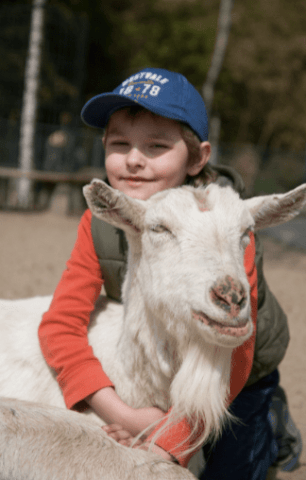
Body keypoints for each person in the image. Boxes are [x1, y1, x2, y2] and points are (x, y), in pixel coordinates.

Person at [38, 67, 302, 479]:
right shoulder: (102, 223)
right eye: (119, 143)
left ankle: (272, 420)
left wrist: (169, 439)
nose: (133, 159)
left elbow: (237, 348)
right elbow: (60, 325)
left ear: (197, 158)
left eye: (157, 146)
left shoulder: (229, 222)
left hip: (238, 373)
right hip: (161, 358)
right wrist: (123, 414)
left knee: (228, 471)